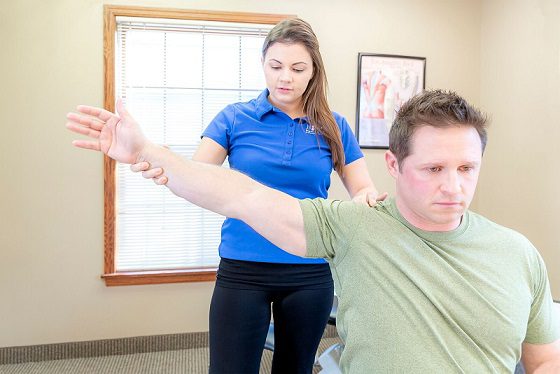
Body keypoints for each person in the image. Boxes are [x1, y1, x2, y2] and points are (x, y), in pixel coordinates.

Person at [66, 89, 560, 373]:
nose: (453, 186)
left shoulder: (519, 254)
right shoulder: (353, 228)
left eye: (467, 168)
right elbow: (240, 195)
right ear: (393, 164)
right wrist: (147, 152)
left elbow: (543, 361)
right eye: (433, 169)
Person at [113, 17, 381, 374]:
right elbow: (194, 175)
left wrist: (366, 200)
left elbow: (362, 187)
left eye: (298, 68)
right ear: (263, 66)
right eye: (276, 66)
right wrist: (147, 153)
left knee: (295, 369)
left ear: (313, 71)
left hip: (309, 269)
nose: (285, 77)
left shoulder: (335, 126)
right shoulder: (234, 118)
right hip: (243, 269)